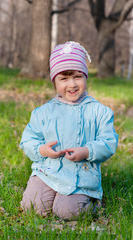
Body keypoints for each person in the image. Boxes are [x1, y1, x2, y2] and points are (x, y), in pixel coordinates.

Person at [20, 41, 118, 220]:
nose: (72, 84)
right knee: (32, 206)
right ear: (54, 82)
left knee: (67, 211)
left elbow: (108, 141)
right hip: (49, 171)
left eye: (77, 77)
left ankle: (91, 204)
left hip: (81, 174)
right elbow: (28, 140)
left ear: (86, 77)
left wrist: (87, 151)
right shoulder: (44, 112)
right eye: (64, 79)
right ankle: (49, 195)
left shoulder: (99, 112)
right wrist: (42, 150)